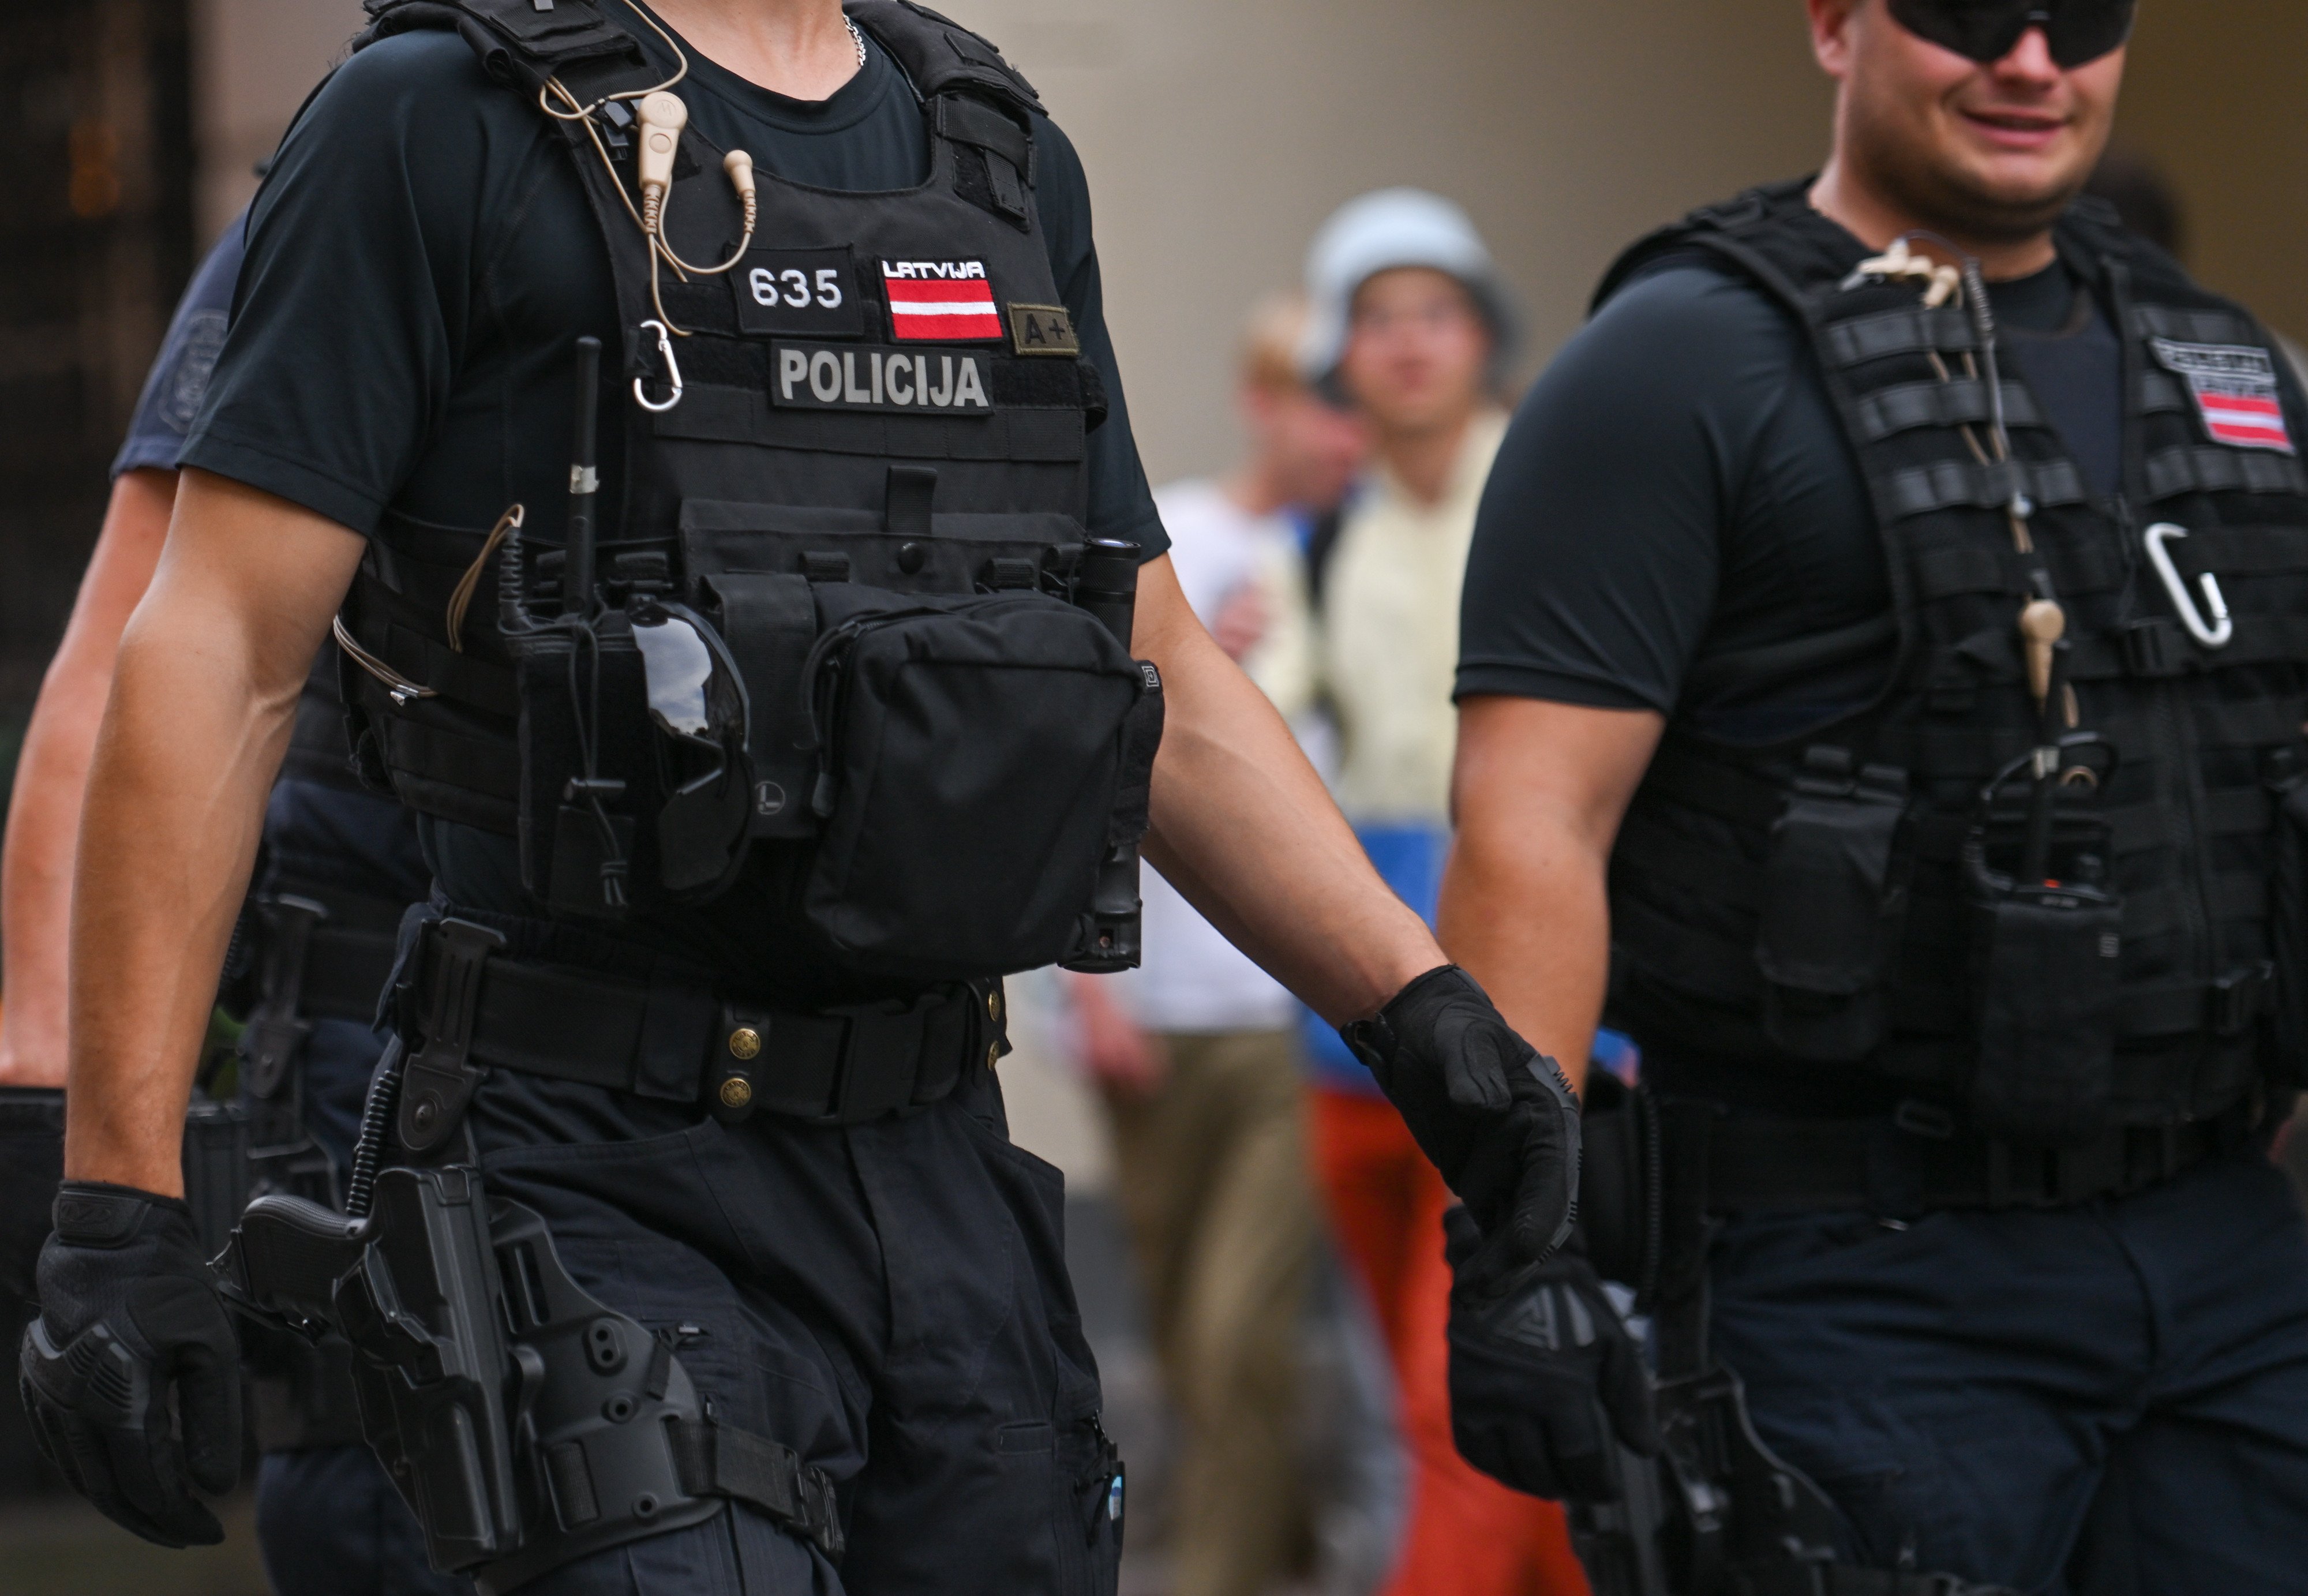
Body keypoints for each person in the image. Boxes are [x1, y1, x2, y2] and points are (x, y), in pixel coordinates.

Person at [15, 2, 1581, 1591]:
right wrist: (114, 1198)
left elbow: (1149, 654)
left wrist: (1420, 1013)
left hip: (941, 1162)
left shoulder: (996, 151)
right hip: (590, 1155)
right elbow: (218, 649)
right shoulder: (432, 118)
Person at [1445, 1, 2308, 1591]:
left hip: (2227, 1259)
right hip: (1853, 1275)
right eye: (1969, 9)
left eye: (2078, 14)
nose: (2030, 60)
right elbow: (1531, 816)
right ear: (1836, 24)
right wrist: (1519, 1241)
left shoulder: (2226, 365)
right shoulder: (1679, 364)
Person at [0, 217, 460, 1593]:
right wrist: (52, 1110)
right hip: (395, 1070)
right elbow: (139, 651)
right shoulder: (388, 166)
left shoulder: (907, 164)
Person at [1292, 190, 1591, 1596]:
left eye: (1436, 312)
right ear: (1339, 356)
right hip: (1349, 1014)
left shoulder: (1563, 504)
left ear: (1484, 340)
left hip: (1525, 987)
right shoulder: (1317, 539)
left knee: (1461, 1375)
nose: (1408, 343)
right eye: (1376, 318)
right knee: (1448, 1386)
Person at [1068, 293, 1366, 1596]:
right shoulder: (1180, 543)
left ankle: (1223, 1574)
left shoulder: (1362, 561)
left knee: (1241, 1331)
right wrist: (1087, 990)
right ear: (1264, 405)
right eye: (1318, 402)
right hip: (1157, 1010)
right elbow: (1090, 758)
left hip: (1287, 1022)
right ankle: (1281, 1535)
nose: (1342, 434)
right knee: (1188, 1332)